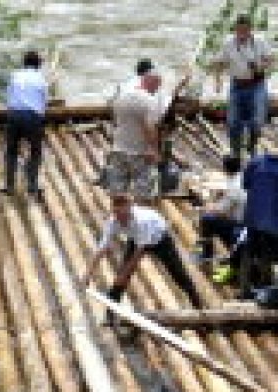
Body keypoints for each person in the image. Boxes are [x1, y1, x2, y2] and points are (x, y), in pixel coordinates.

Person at [80, 193, 200, 326]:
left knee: (179, 274)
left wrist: (124, 274)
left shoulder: (142, 220)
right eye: (117, 215)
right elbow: (101, 249)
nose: (120, 219)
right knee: (120, 279)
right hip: (136, 239)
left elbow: (139, 252)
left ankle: (199, 309)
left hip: (160, 239)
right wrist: (88, 274)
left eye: (123, 216)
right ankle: (110, 315)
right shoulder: (113, 221)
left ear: (129, 208)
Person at [110, 61, 190, 199]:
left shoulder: (122, 93)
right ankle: (142, 208)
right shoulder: (149, 100)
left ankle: (120, 209)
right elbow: (150, 127)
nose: (157, 89)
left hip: (119, 146)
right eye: (157, 85)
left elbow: (115, 116)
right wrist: (153, 150)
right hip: (139, 151)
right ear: (150, 82)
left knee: (118, 189)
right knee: (144, 190)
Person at [238, 134, 278, 294]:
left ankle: (244, 287)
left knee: (249, 250)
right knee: (267, 254)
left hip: (253, 215)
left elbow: (245, 184)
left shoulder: (256, 162)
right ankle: (263, 287)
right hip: (275, 220)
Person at [212, 14, 274, 158]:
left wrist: (260, 66)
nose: (242, 35)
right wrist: (218, 80)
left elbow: (270, 59)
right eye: (239, 31)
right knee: (233, 121)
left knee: (257, 121)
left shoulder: (259, 41)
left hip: (256, 85)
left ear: (250, 30)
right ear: (235, 29)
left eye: (245, 31)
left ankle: (252, 148)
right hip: (237, 84)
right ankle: (235, 152)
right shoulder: (228, 43)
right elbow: (220, 62)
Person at [3, 50, 48, 196]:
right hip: (32, 116)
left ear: (24, 63)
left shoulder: (15, 75)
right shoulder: (41, 79)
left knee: (11, 151)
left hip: (14, 114)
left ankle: (9, 186)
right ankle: (32, 185)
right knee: (35, 151)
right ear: (38, 65)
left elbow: (9, 97)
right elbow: (43, 103)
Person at [197, 155, 245, 259]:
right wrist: (222, 194)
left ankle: (207, 253)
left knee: (206, 219)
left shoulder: (234, 187)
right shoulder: (241, 178)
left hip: (238, 223)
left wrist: (207, 206)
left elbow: (221, 210)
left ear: (225, 169)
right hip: (244, 219)